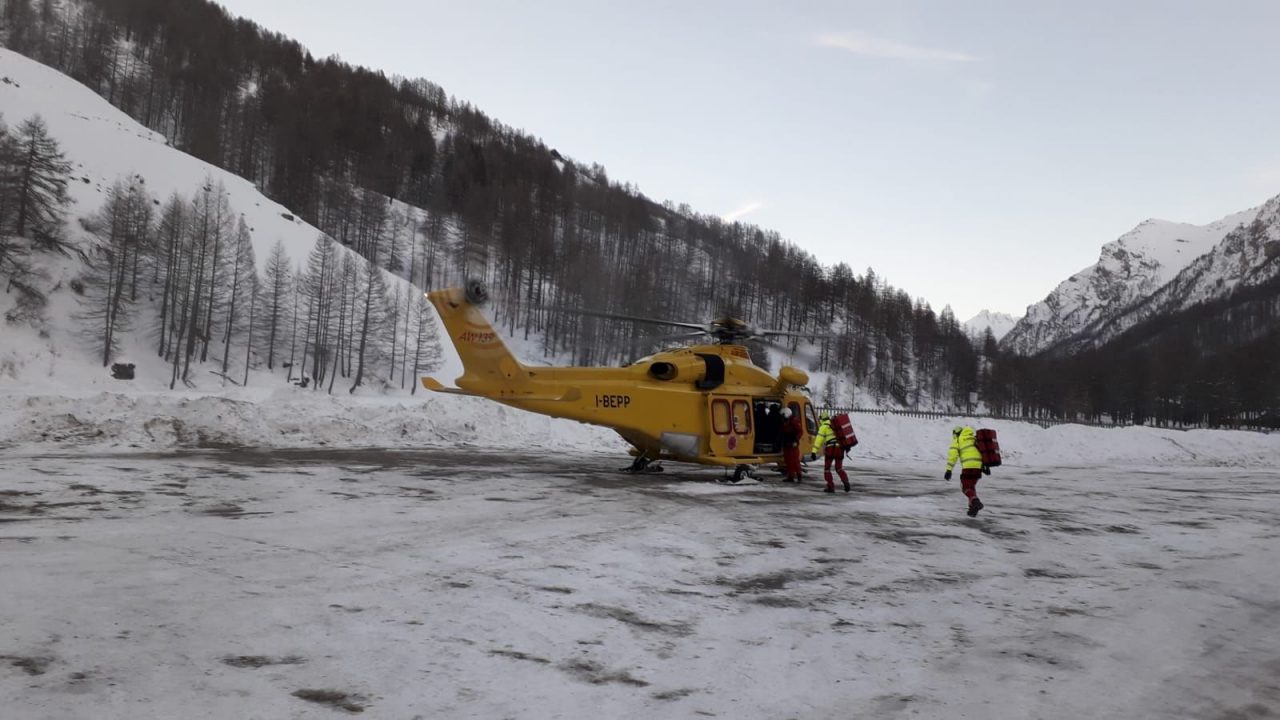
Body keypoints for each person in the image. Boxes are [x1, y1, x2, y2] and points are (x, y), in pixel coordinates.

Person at [944, 425, 985, 516]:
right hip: (978, 467)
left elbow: (953, 456)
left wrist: (949, 470)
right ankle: (972, 509)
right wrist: (985, 466)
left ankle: (975, 501)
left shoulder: (958, 440)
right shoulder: (973, 438)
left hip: (968, 466)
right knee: (971, 487)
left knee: (965, 487)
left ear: (955, 434)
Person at [811, 411, 850, 493]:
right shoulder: (836, 424)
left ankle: (830, 487)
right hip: (840, 449)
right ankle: (845, 481)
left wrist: (814, 451)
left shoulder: (823, 427)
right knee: (839, 468)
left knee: (827, 469)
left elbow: (818, 440)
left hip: (830, 449)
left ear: (821, 419)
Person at [779, 406, 803, 482]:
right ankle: (790, 476)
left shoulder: (794, 421)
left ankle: (799, 476)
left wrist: (796, 440)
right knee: (787, 460)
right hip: (787, 443)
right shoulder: (786, 422)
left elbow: (800, 431)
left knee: (794, 461)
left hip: (793, 444)